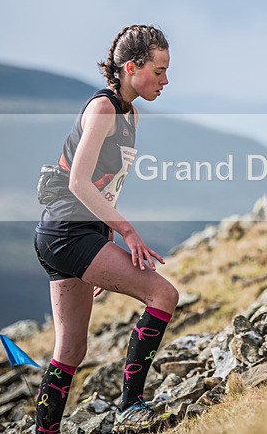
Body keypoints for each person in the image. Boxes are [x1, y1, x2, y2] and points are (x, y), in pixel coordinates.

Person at [32, 25, 178, 433]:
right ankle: (131, 406)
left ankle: (45, 431)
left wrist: (105, 243)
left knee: (71, 348)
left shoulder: (129, 113)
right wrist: (127, 232)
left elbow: (103, 185)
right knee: (163, 294)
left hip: (75, 234)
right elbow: (78, 181)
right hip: (66, 231)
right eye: (160, 71)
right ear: (131, 67)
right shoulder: (104, 109)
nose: (166, 81)